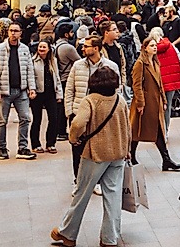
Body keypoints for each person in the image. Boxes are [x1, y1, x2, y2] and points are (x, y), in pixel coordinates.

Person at [50, 68, 129, 247]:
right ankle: (110, 238)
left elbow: (78, 123)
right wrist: (127, 148)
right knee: (113, 195)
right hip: (118, 153)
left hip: (95, 153)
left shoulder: (90, 101)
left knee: (82, 193)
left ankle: (67, 233)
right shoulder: (120, 100)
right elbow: (127, 125)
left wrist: (73, 138)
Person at [64, 35, 121, 177]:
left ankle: (96, 180)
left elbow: (117, 90)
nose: (82, 48)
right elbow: (69, 89)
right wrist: (69, 111)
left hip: (101, 116)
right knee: (78, 150)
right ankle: (78, 180)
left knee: (98, 149)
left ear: (96, 48)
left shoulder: (110, 66)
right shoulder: (77, 65)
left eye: (86, 46)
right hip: (79, 113)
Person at [127, 33, 180, 172]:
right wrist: (140, 103)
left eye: (155, 45)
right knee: (137, 130)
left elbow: (160, 84)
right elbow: (137, 85)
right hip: (145, 103)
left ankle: (166, 159)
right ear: (144, 48)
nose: (155, 48)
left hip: (154, 102)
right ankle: (132, 156)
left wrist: (163, 100)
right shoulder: (140, 64)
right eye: (151, 46)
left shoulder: (155, 62)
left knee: (155, 130)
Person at [0, 22, 37, 160]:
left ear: (21, 33)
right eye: (11, 30)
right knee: (2, 121)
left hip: (21, 90)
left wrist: (31, 88)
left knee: (25, 118)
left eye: (16, 31)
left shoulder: (25, 49)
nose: (13, 33)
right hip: (4, 91)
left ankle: (23, 148)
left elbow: (29, 69)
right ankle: (1, 148)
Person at [30, 40, 64, 154]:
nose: (42, 49)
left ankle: (51, 143)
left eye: (44, 47)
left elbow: (57, 78)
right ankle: (35, 144)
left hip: (51, 93)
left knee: (54, 118)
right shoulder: (33, 61)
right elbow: (30, 77)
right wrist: (32, 90)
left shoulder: (53, 61)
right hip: (38, 94)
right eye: (40, 47)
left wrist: (59, 94)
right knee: (37, 119)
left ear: (49, 49)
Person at [155, 25, 180, 131]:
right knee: (167, 106)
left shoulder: (151, 47)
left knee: (156, 106)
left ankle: (159, 130)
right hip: (171, 81)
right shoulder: (172, 46)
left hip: (157, 81)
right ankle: (166, 130)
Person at [97, 20, 128, 86]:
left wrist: (123, 83)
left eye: (117, 29)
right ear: (106, 33)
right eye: (114, 29)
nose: (117, 31)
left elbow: (123, 66)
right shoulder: (100, 48)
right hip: (104, 84)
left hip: (118, 84)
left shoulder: (118, 47)